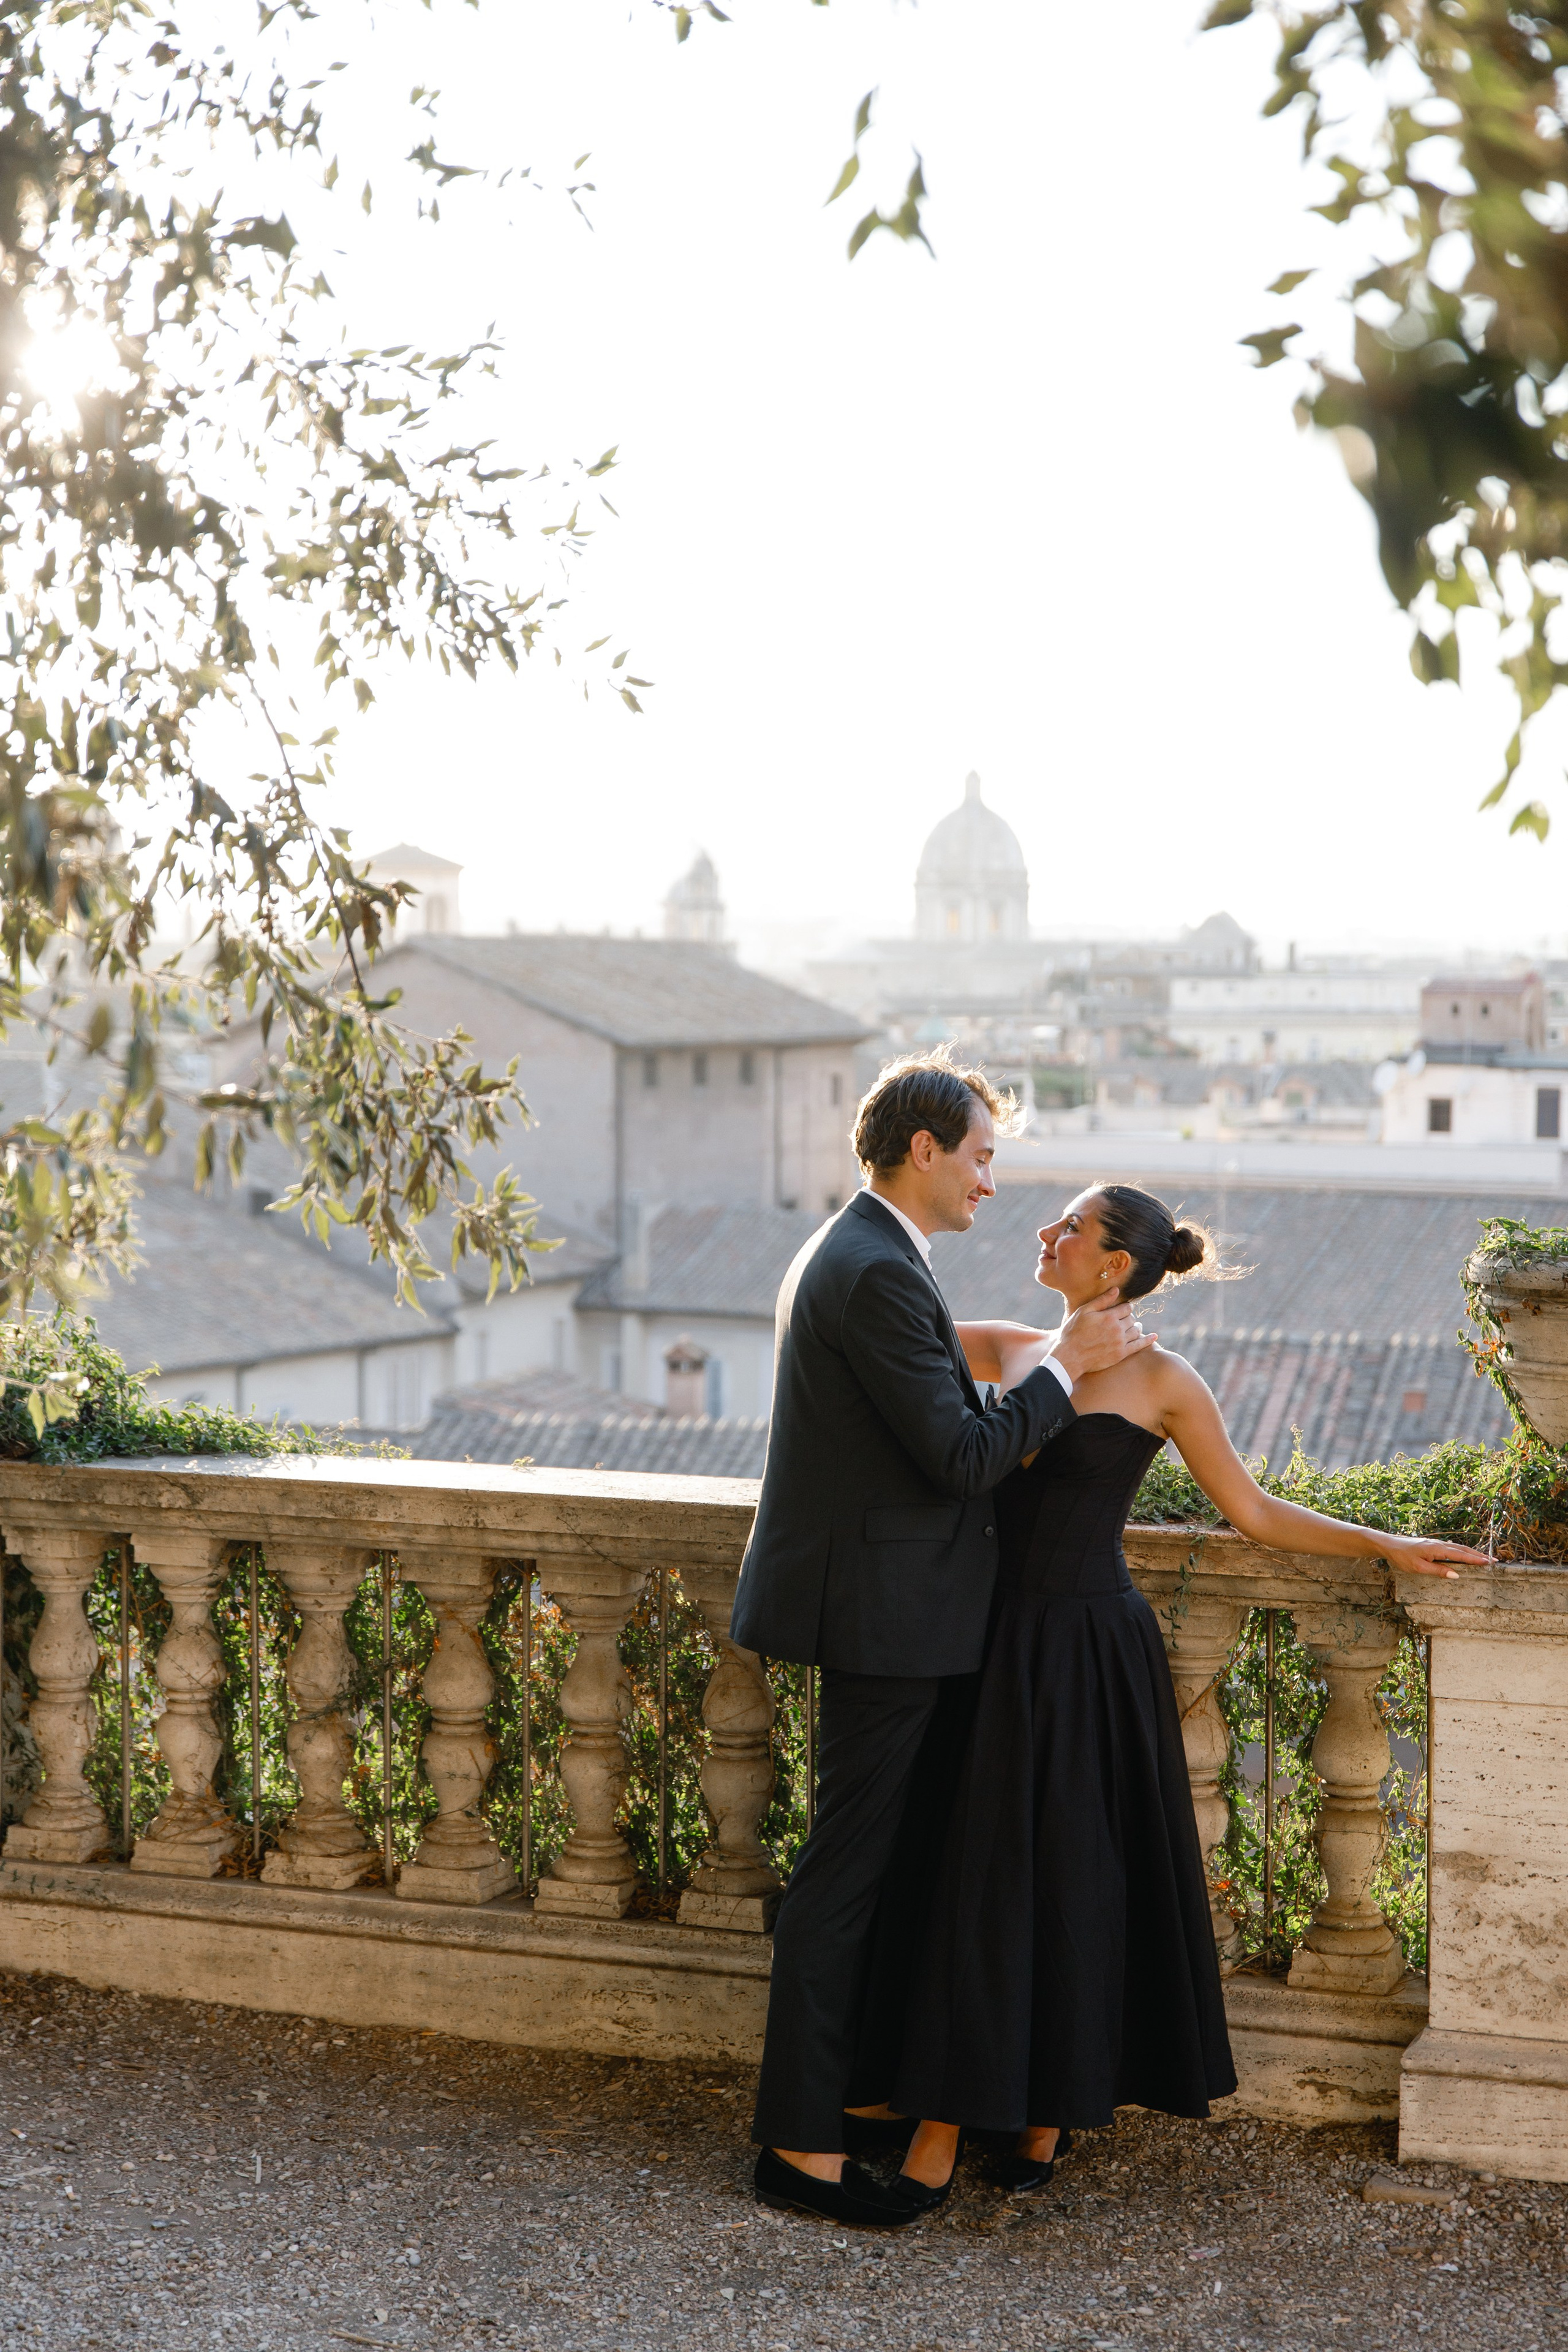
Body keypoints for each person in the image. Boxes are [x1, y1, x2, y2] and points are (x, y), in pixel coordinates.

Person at [885, 1182, 1493, 2212]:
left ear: (1115, 1263)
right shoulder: (1009, 1345)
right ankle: (939, 2119)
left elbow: (1252, 1511)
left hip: (1088, 1654)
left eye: (1068, 1225)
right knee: (971, 1874)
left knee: (1070, 1880)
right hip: (989, 1648)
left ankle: (1041, 2112)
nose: (1045, 1232)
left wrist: (1385, 1543)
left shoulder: (1167, 1381)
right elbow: (876, 1332)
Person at [729, 1057, 1155, 2230]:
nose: (990, 1181)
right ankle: (801, 2152)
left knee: (872, 1872)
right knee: (843, 1881)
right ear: (923, 1150)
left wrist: (1047, 1349)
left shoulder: (864, 1254)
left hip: (887, 1608)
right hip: (882, 1617)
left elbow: (926, 1404)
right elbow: (965, 1459)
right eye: (979, 1157)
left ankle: (855, 2104)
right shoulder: (873, 1270)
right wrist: (1070, 1365)